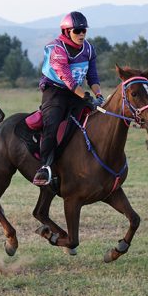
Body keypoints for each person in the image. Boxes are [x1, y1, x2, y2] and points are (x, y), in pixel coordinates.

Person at [33, 11, 104, 186]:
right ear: (67, 31)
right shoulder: (57, 49)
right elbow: (67, 79)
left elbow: (93, 77)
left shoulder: (88, 48)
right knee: (52, 123)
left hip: (76, 92)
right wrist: (86, 97)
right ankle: (45, 167)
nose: (81, 34)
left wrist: (99, 96)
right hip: (55, 91)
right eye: (77, 30)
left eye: (84, 31)